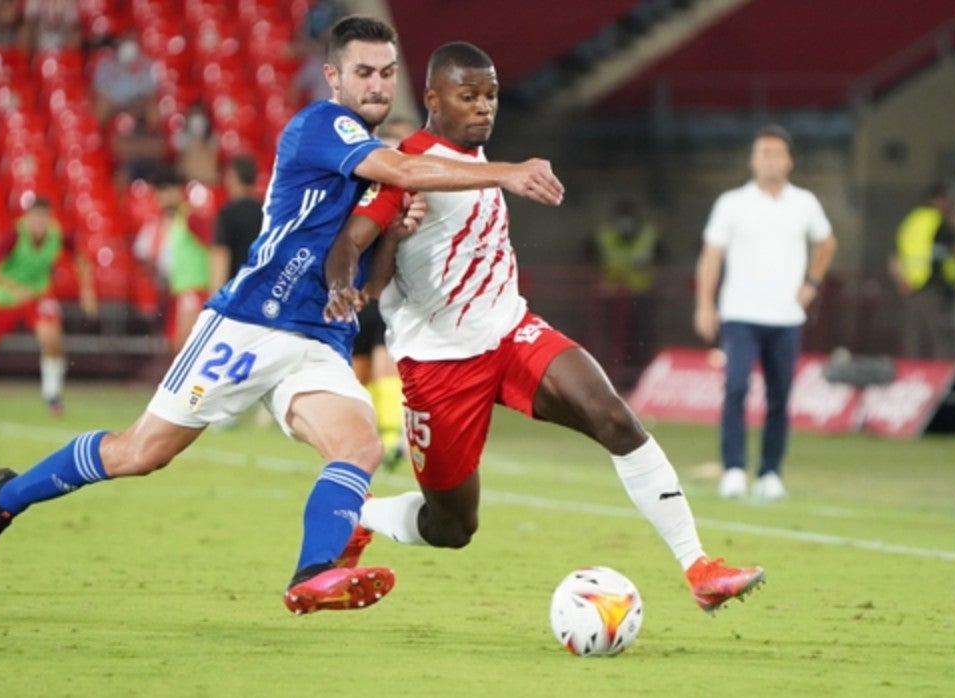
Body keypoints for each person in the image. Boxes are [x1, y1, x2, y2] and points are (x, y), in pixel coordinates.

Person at [0, 16, 565, 621]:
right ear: (333, 77)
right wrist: (506, 171)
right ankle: (1, 500)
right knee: (140, 453)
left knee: (357, 443)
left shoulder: (378, 166)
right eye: (364, 73)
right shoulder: (323, 126)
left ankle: (314, 572)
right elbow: (403, 169)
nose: (378, 85)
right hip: (250, 323)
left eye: (386, 73)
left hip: (318, 337)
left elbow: (373, 280)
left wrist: (395, 239)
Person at [326, 41, 763, 614]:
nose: (485, 107)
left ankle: (699, 567)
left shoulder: (477, 158)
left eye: (491, 95)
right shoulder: (403, 169)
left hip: (512, 332)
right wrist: (344, 282)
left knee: (614, 417)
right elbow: (352, 249)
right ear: (432, 98)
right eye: (469, 95)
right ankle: (361, 517)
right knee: (452, 526)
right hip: (439, 364)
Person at [694, 125, 837, 501]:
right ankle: (734, 469)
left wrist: (812, 283)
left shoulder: (804, 202)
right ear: (753, 159)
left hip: (786, 316)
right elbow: (711, 255)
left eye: (777, 152)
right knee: (736, 388)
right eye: (764, 152)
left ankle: (771, 472)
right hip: (740, 312)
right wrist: (705, 303)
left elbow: (827, 242)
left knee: (779, 395)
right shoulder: (732, 202)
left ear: (789, 160)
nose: (770, 159)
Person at [0, 197, 98, 413]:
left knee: (52, 339)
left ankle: (52, 395)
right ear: (27, 218)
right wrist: (14, 288)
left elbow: (82, 260)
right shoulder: (12, 236)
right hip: (4, 299)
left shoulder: (58, 235)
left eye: (44, 218)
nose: (40, 223)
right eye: (35, 218)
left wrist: (87, 291)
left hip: (37, 295)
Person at [353, 116, 418, 469]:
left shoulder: (421, 195)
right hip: (358, 290)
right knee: (358, 371)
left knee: (385, 364)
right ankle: (367, 439)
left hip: (397, 295)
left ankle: (394, 440)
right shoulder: (363, 188)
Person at [583, 198, 668, 388]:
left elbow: (663, 258)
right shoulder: (605, 236)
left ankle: (640, 382)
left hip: (641, 298)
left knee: (640, 343)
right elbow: (588, 257)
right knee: (611, 344)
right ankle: (609, 381)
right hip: (611, 299)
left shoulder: (649, 235)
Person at [132, 169, 213, 354]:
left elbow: (214, 250)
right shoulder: (175, 220)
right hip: (179, 291)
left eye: (161, 192)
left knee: (184, 348)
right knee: (175, 348)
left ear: (174, 191)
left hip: (193, 289)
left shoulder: (191, 218)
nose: (158, 198)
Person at [890, 182, 955, 359]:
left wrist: (902, 281)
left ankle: (914, 376)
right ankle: (939, 377)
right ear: (940, 199)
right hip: (934, 286)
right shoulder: (939, 221)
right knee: (940, 336)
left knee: (914, 336)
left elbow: (894, 256)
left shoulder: (911, 220)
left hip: (912, 286)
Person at [208, 155, 263, 294]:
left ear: (232, 178)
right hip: (262, 290)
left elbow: (221, 255)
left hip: (235, 293)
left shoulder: (228, 213)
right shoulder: (267, 212)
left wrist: (215, 299)